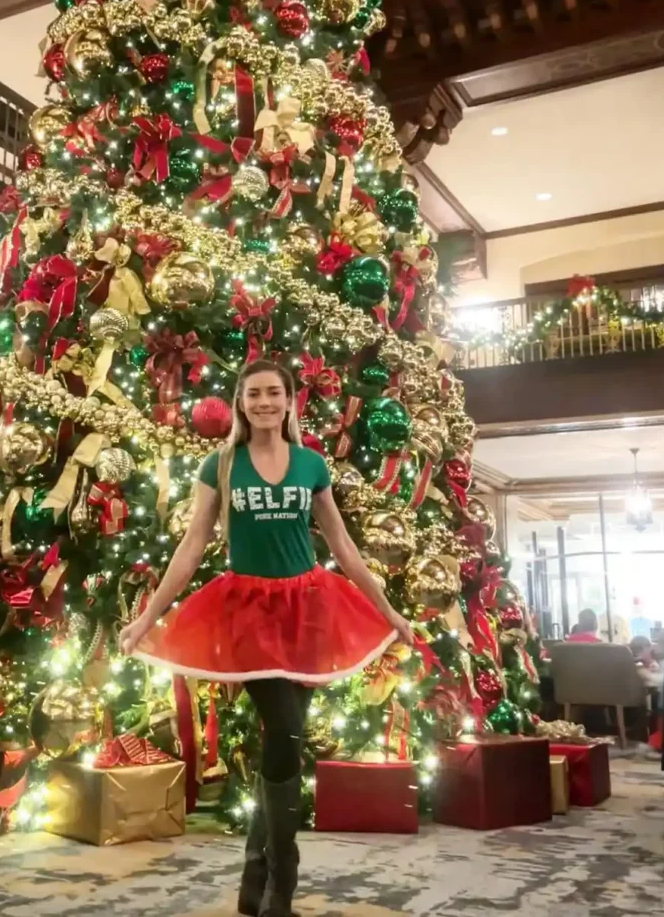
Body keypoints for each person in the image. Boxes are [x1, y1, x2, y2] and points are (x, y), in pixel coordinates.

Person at [119, 359, 412, 917]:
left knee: (286, 739)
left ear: (290, 401)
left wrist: (390, 610)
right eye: (254, 394)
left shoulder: (311, 465)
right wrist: (147, 616)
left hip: (308, 609)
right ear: (240, 402)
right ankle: (284, 879)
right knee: (284, 729)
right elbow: (192, 545)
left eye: (274, 393)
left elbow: (344, 549)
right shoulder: (221, 464)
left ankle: (256, 878)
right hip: (248, 613)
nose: (265, 402)